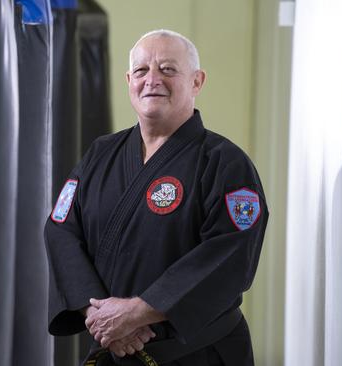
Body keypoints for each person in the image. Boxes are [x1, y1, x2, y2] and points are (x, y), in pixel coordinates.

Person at [44, 29, 268, 365]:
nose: (152, 80)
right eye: (141, 71)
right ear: (128, 81)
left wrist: (138, 312)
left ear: (196, 81)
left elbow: (231, 253)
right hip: (111, 348)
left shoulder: (225, 162)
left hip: (198, 354)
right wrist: (100, 313)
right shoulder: (101, 154)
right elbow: (61, 229)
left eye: (167, 69)